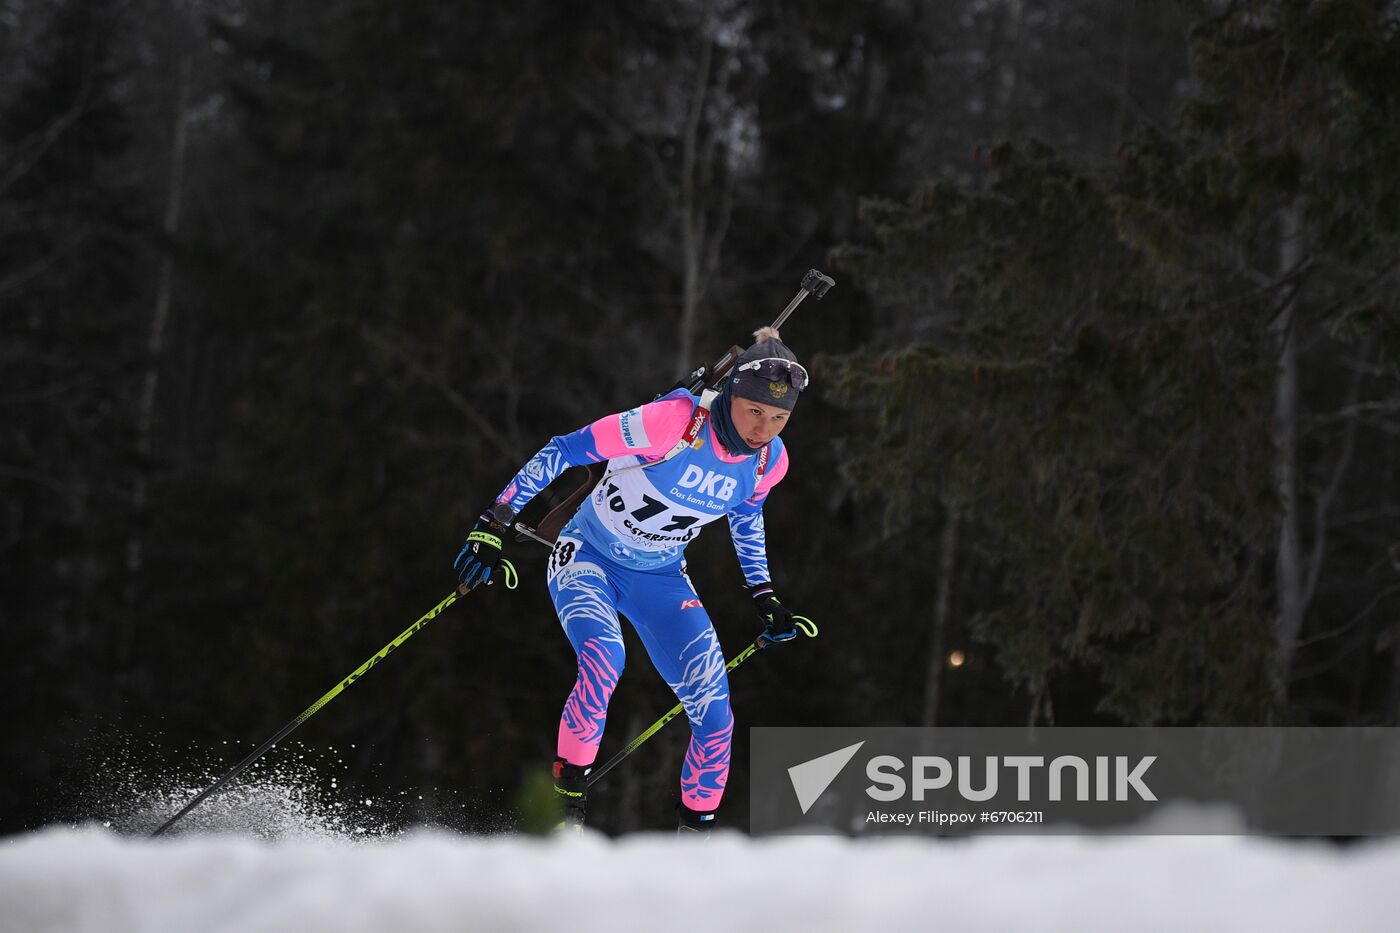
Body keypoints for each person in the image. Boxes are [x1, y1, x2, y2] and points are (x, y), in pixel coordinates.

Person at [454, 326, 806, 834]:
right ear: (733, 395)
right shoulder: (673, 422)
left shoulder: (770, 461)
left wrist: (765, 595)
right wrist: (494, 522)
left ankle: (693, 847)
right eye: (755, 411)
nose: (763, 429)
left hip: (661, 575)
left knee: (716, 714)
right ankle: (567, 812)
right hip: (588, 558)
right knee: (605, 659)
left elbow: (747, 520)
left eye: (779, 418)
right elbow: (563, 450)